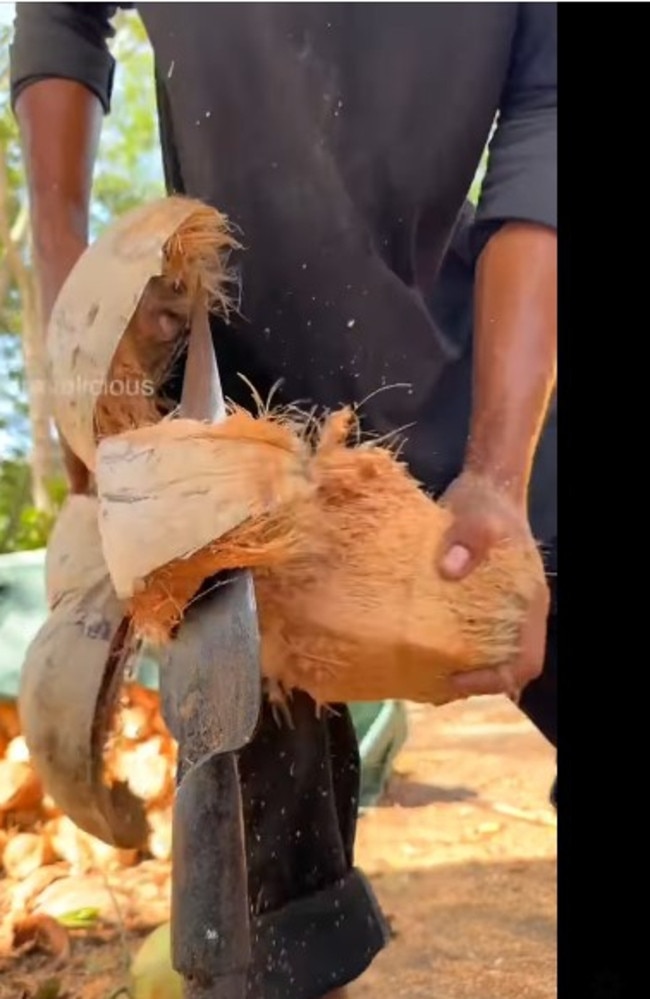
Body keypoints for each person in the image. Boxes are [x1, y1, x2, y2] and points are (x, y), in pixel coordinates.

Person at [10, 4, 557, 997]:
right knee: (261, 871)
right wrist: (66, 300)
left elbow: (546, 123)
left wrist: (499, 471)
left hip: (465, 350)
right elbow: (61, 17)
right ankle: (279, 952)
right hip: (237, 394)